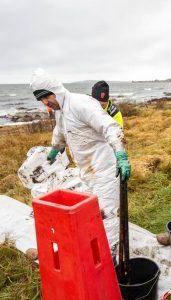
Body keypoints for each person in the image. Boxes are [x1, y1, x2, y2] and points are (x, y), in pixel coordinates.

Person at [30, 69, 131, 257]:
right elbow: (60, 132)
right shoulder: (60, 111)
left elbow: (110, 126)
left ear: (56, 90)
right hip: (87, 171)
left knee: (106, 214)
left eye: (46, 96)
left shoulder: (80, 104)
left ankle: (111, 259)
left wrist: (121, 155)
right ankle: (99, 248)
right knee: (93, 213)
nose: (45, 103)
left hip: (105, 169)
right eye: (41, 100)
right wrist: (55, 149)